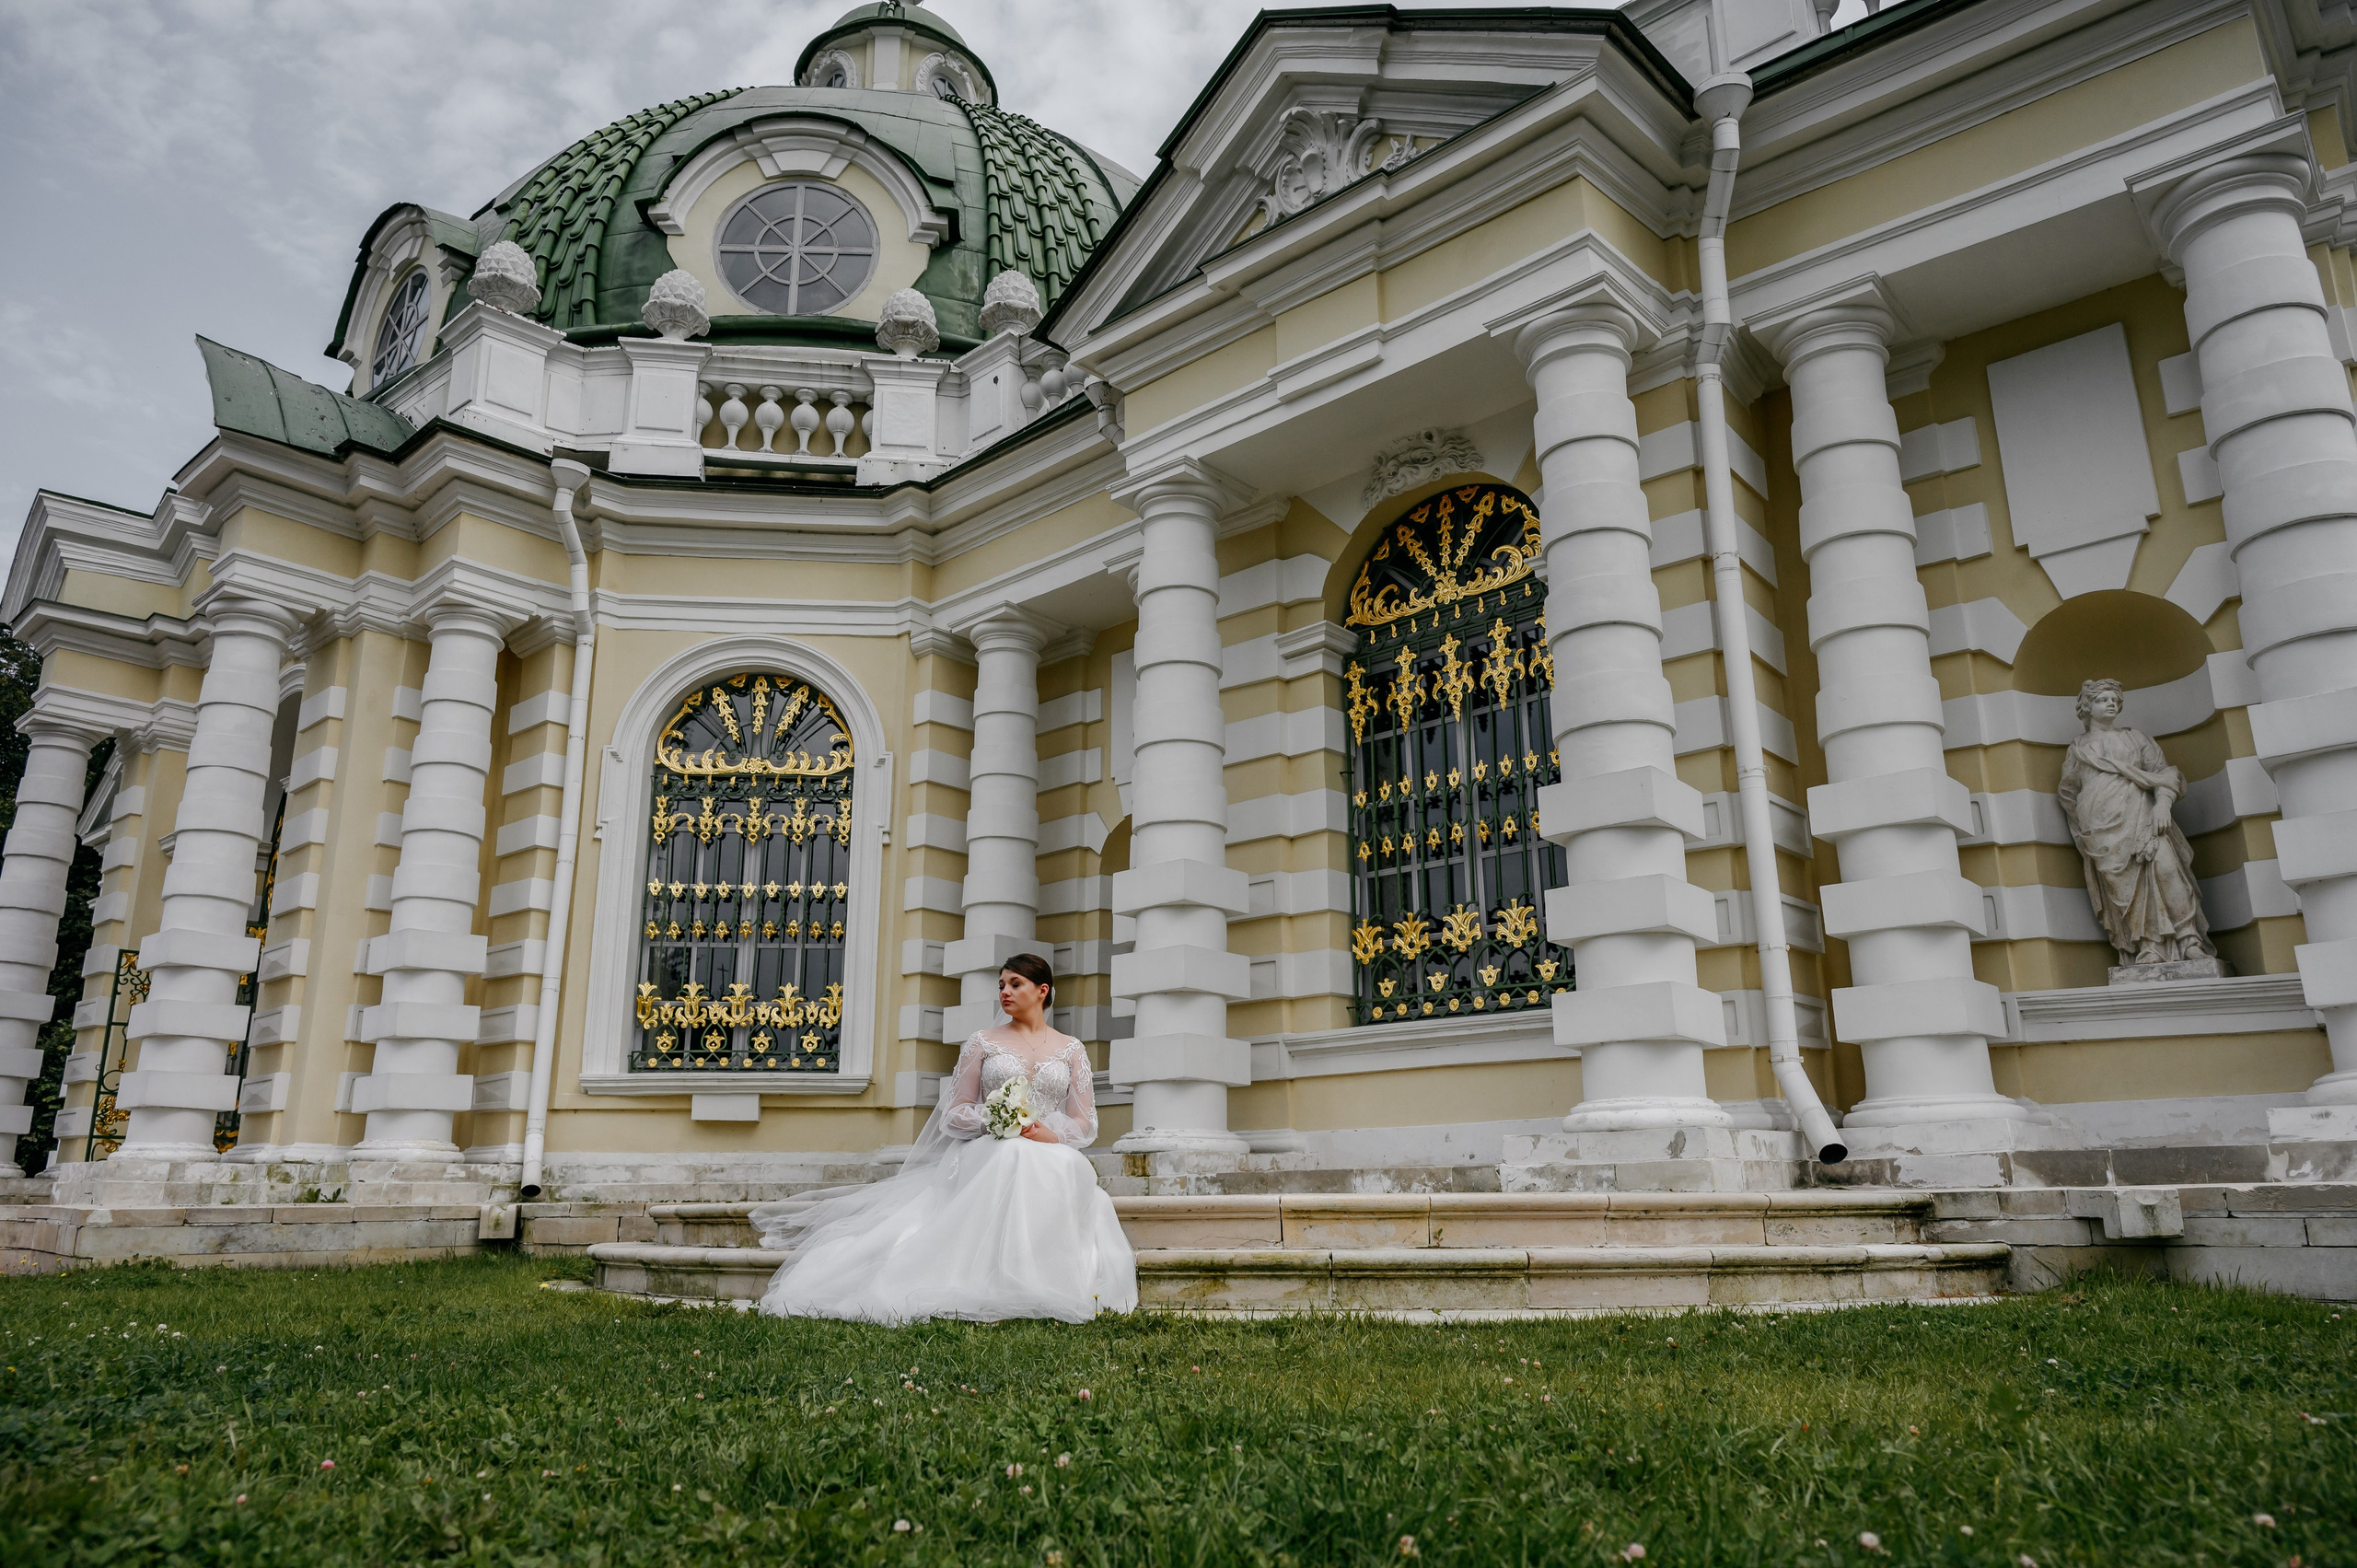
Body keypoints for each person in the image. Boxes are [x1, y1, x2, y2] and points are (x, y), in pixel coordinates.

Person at [750, 953, 1137, 1323]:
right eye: (1001, 985)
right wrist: (994, 1122)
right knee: (1011, 1157)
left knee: (1065, 1165)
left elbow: (1084, 1122)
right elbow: (954, 1113)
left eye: (1015, 984)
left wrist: (1050, 1134)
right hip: (990, 1147)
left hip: (1049, 1149)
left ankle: (1043, 1276)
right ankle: (998, 1279)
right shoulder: (982, 1042)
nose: (1004, 991)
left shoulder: (1071, 1050)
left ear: (1042, 991)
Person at [2056, 677, 2216, 967]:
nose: (2111, 705)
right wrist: (2088, 823)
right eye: (2104, 700)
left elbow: (2167, 776)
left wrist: (2162, 806)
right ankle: (2149, 945)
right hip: (2102, 832)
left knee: (2168, 870)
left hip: (2144, 817)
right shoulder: (2077, 748)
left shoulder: (2135, 738)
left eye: (2116, 701)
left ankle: (2188, 939)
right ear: (2088, 705)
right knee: (2125, 888)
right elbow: (2069, 793)